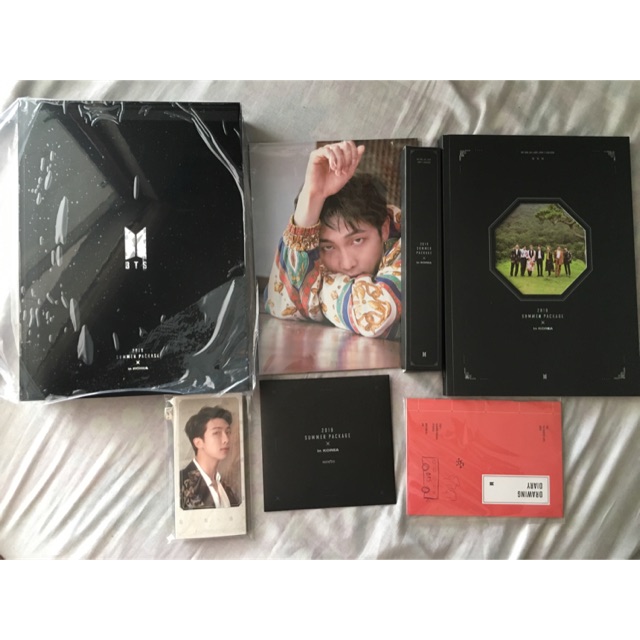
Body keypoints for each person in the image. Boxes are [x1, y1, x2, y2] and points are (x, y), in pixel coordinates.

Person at [266, 141, 401, 339]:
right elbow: (278, 302)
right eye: (328, 247)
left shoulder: (408, 243)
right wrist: (313, 195)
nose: (347, 264)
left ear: (385, 228)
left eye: (357, 240)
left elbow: (372, 317)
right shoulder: (312, 249)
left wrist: (318, 289)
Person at [180, 406, 240, 510]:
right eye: (216, 433)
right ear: (198, 442)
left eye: (228, 432)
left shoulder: (227, 488)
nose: (226, 439)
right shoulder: (181, 483)